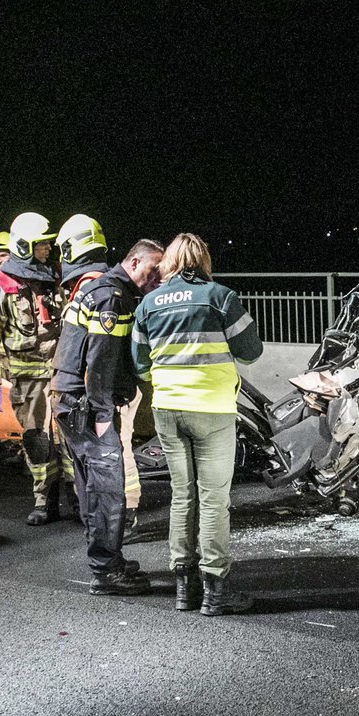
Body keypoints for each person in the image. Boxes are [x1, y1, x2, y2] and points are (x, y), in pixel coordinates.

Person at [132, 233, 263, 615]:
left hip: (168, 410)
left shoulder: (149, 303)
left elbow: (141, 364)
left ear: (169, 263)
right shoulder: (220, 297)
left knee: (182, 496)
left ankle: (184, 589)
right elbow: (252, 352)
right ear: (203, 261)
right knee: (213, 500)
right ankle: (215, 590)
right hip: (212, 410)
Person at [54, 238, 164, 595]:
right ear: (134, 263)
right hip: (88, 406)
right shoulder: (112, 299)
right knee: (107, 487)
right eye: (152, 271)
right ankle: (106, 572)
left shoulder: (104, 290)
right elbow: (98, 363)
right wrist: (103, 414)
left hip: (73, 402)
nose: (157, 279)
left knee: (91, 486)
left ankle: (107, 559)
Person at [56, 213, 144, 530]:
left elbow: (99, 357)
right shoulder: (105, 283)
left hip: (103, 392)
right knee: (106, 455)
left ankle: (123, 514)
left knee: (115, 451)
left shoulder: (99, 289)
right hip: (99, 390)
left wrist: (101, 406)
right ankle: (105, 519)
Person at [0, 213, 66, 525]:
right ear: (24, 245)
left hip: (60, 371)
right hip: (27, 377)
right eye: (41, 244)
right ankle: (44, 500)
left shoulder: (56, 274)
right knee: (37, 442)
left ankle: (78, 497)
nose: (46, 248)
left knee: (69, 438)